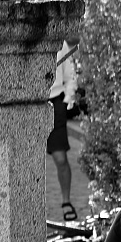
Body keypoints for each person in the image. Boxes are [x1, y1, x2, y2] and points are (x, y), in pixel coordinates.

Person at [48, 41, 79, 221]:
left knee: (61, 158)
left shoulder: (60, 41)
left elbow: (70, 73)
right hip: (27, 103)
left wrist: (67, 99)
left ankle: (66, 201)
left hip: (55, 103)